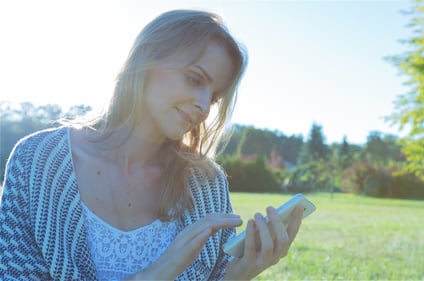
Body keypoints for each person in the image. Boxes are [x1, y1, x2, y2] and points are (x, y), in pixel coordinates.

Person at [0, 9, 304, 281]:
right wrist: (156, 273)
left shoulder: (207, 185)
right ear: (146, 59)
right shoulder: (35, 162)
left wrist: (236, 277)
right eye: (194, 79)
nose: (203, 106)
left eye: (213, 97)